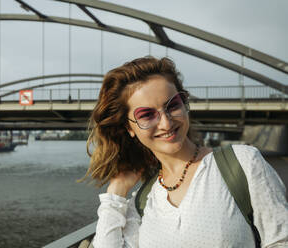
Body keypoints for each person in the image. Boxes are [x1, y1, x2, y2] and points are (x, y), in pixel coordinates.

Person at [82, 56, 288, 247]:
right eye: (147, 115)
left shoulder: (242, 163)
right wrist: (116, 192)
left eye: (172, 105)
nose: (166, 123)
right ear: (129, 128)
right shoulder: (144, 200)